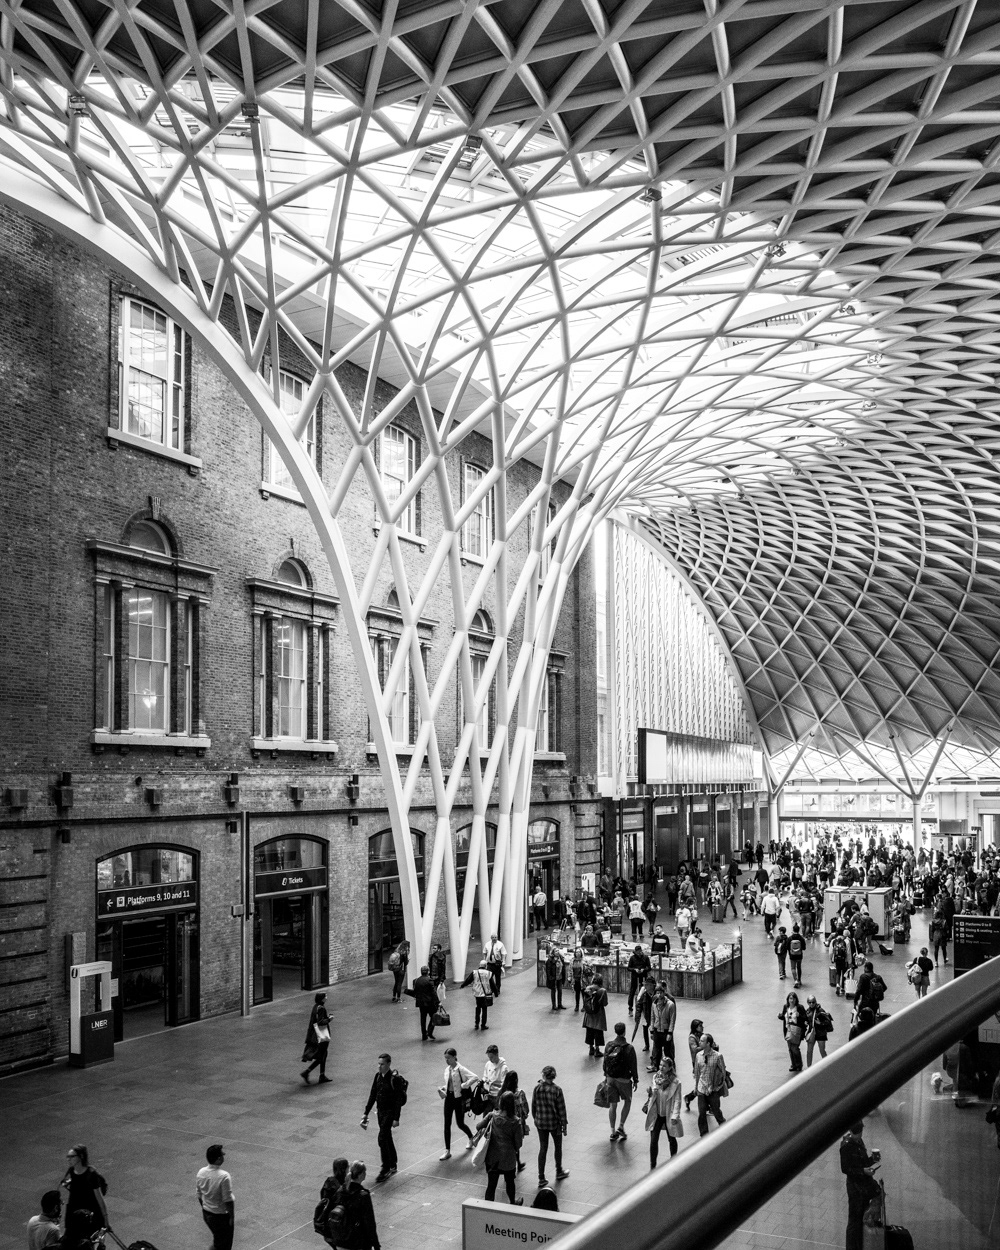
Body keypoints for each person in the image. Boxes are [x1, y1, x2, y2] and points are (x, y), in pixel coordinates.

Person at [361, 1053, 406, 1182]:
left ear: (388, 1064)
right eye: (378, 1064)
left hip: (389, 1112)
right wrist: (366, 1112)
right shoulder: (377, 1077)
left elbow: (398, 1100)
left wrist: (396, 1118)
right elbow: (373, 1094)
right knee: (387, 1136)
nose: (379, 1067)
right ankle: (393, 1163)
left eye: (382, 1064)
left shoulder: (394, 1079)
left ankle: (385, 1168)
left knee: (382, 1138)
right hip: (380, 1112)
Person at [840, 1121, 880, 1250]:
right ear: (851, 1132)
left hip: (863, 1185)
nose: (860, 1136)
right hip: (855, 1188)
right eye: (857, 1133)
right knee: (854, 1221)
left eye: (861, 1133)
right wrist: (863, 1171)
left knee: (861, 1217)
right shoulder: (846, 1146)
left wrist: (872, 1160)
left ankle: (860, 1244)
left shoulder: (859, 1142)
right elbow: (845, 1169)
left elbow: (862, 1162)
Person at [483, 1091, 524, 1205]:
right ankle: (512, 1201)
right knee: (510, 1181)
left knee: (491, 1184)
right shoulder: (516, 1121)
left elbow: (478, 1126)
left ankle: (487, 1207)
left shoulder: (492, 1115)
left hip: (493, 1157)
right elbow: (518, 1143)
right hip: (508, 1158)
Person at [531, 1065, 570, 1187]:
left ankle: (541, 1177)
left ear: (543, 1075)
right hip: (554, 1123)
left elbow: (533, 1106)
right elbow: (561, 1110)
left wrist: (536, 1118)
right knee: (558, 1146)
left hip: (541, 1123)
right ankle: (559, 1171)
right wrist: (564, 1125)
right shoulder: (557, 1090)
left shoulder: (537, 1088)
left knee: (543, 1148)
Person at [61, 1145, 108, 1239]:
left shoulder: (91, 1175)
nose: (68, 1159)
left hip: (88, 1214)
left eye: (72, 1156)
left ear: (81, 1156)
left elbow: (100, 1199)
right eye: (68, 1156)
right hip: (74, 1211)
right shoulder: (72, 1171)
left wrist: (105, 1220)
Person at [439, 1048, 477, 1159]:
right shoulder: (447, 1070)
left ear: (455, 1057)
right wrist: (443, 1088)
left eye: (449, 1058)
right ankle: (447, 1150)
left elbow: (475, 1077)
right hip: (449, 1098)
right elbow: (449, 1084)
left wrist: (465, 1085)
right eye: (445, 1058)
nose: (447, 1061)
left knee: (460, 1123)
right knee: (447, 1124)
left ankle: (471, 1137)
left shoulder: (461, 1069)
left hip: (459, 1099)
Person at [603, 1021, 639, 1141]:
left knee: (613, 1105)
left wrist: (606, 1075)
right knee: (627, 1101)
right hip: (623, 1080)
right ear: (624, 1031)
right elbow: (633, 1066)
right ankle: (621, 1126)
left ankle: (612, 1132)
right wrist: (636, 1079)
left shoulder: (609, 1045)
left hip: (610, 1078)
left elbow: (605, 1062)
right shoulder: (629, 1048)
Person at [645, 1056, 683, 1168]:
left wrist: (675, 1115)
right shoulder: (656, 1077)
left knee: (671, 1138)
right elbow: (653, 1094)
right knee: (653, 1140)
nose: (661, 1067)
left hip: (668, 1113)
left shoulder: (676, 1082)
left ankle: (674, 1161)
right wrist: (651, 1092)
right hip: (657, 1113)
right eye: (660, 1065)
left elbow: (677, 1099)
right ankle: (653, 1165)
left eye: (664, 1066)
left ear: (670, 1068)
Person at [195, 1144, 234, 1250]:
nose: (223, 1157)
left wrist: (205, 1207)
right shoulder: (224, 1176)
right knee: (224, 1246)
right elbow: (228, 1199)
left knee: (218, 1241)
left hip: (207, 1214)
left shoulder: (201, 1172)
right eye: (221, 1155)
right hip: (220, 1216)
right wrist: (231, 1217)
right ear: (218, 1159)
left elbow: (199, 1194)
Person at [339, 1161, 380, 1250]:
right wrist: (375, 1244)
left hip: (341, 1238)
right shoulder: (363, 1195)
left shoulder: (342, 1189)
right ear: (361, 1174)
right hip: (357, 1241)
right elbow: (369, 1222)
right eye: (364, 1172)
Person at [694, 1033, 728, 1136]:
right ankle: (704, 1135)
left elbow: (723, 1072)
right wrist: (696, 1087)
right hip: (701, 1089)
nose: (699, 1042)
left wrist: (717, 1087)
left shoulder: (717, 1056)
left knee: (716, 1111)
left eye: (702, 1041)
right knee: (702, 1113)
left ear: (708, 1043)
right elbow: (697, 1072)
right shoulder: (698, 1056)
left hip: (713, 1090)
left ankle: (725, 1129)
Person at [316, 1157, 349, 1250]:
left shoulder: (329, 1182)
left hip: (327, 1227)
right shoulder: (341, 1186)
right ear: (344, 1169)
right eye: (348, 1167)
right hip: (337, 1229)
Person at [302, 992, 332, 1084]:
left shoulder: (316, 1007)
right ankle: (308, 1072)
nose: (326, 998)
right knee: (322, 1055)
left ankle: (321, 1075)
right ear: (322, 999)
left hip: (314, 1035)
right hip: (320, 1036)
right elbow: (321, 1021)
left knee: (323, 1054)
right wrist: (329, 1019)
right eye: (325, 996)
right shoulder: (321, 1008)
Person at [461, 958, 495, 1030]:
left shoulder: (475, 972)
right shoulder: (488, 973)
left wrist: (463, 985)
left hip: (477, 993)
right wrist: (496, 992)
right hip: (484, 993)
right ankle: (483, 1024)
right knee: (484, 1008)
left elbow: (468, 980)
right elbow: (492, 983)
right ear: (485, 966)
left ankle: (476, 1023)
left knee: (478, 1007)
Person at [779, 991, 807, 1073]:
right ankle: (793, 1064)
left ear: (796, 1000)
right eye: (790, 998)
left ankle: (799, 1064)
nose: (792, 1000)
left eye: (793, 998)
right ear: (788, 999)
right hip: (788, 1030)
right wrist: (780, 1016)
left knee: (795, 1048)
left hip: (797, 1031)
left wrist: (799, 1016)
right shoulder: (786, 1007)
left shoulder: (799, 1007)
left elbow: (805, 1018)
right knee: (790, 1048)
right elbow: (784, 1016)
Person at [582, 973, 609, 1057]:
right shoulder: (602, 990)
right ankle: (597, 1050)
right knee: (598, 1031)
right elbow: (605, 1003)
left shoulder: (587, 988)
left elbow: (585, 1001)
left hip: (589, 1014)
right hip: (599, 1014)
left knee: (589, 1031)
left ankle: (591, 1048)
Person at [411, 965, 440, 1041]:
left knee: (423, 1019)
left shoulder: (416, 981)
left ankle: (424, 1035)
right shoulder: (430, 980)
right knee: (433, 1017)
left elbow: (415, 991)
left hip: (421, 1003)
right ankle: (430, 1031)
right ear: (428, 972)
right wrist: (438, 1002)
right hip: (429, 1003)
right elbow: (433, 992)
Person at [804, 994, 833, 1067]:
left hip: (821, 1033)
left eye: (813, 1002)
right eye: (810, 1002)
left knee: (822, 1050)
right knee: (809, 1051)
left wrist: (820, 1023)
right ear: (807, 1003)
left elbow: (828, 1021)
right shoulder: (807, 1011)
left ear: (815, 1002)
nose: (811, 1004)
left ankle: (827, 1065)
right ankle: (809, 1067)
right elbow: (806, 1020)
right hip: (812, 1033)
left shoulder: (820, 1010)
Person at [683, 1019, 704, 1111]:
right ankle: (690, 1097)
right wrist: (705, 1046)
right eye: (700, 1026)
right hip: (696, 1062)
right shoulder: (692, 1037)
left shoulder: (701, 1035)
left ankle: (690, 1097)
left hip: (703, 1060)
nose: (702, 1027)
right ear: (695, 1027)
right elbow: (694, 1049)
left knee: (703, 1083)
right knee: (701, 1083)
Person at [626, 944, 651, 1014]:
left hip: (643, 977)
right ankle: (630, 1008)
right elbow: (628, 968)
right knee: (632, 992)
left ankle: (643, 1007)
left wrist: (643, 970)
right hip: (634, 977)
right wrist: (635, 970)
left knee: (643, 992)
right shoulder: (632, 958)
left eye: (640, 952)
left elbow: (649, 967)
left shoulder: (645, 958)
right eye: (637, 952)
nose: (639, 953)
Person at [544, 945, 566, 1010]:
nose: (557, 952)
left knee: (560, 990)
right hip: (553, 978)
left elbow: (563, 968)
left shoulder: (561, 958)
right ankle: (554, 1005)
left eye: (558, 951)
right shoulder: (550, 960)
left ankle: (559, 1004)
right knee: (553, 991)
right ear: (553, 952)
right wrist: (550, 978)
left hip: (560, 977)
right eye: (556, 951)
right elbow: (548, 970)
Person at [571, 947, 584, 1011]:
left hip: (582, 979)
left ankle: (584, 1006)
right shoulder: (573, 961)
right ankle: (577, 1006)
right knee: (577, 993)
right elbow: (570, 970)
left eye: (579, 952)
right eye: (576, 952)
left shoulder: (583, 961)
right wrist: (570, 978)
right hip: (576, 979)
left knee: (583, 993)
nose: (578, 953)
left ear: (581, 953)